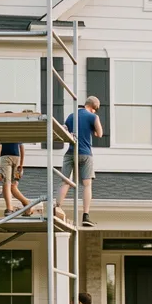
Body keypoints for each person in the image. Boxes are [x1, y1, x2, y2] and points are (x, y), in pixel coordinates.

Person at [54, 96, 102, 228]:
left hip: (70, 152)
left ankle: (57, 208)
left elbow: (65, 132)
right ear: (94, 107)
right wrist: (93, 129)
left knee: (65, 181)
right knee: (87, 184)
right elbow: (100, 134)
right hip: (85, 153)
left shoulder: (71, 116)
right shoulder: (93, 117)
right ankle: (86, 215)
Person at [0, 113, 32, 216]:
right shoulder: (16, 130)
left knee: (6, 184)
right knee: (13, 186)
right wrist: (21, 165)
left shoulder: (1, 131)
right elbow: (22, 148)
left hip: (5, 158)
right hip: (17, 158)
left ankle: (9, 209)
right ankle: (27, 204)